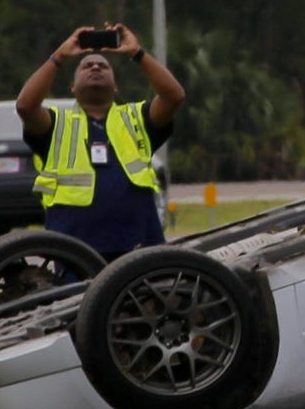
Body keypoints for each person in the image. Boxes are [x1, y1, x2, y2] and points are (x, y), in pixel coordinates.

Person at [14, 21, 187, 260]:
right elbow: (25, 106)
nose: (95, 66)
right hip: (75, 251)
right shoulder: (57, 123)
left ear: (115, 87)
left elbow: (174, 96)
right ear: (72, 87)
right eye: (86, 65)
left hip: (138, 247)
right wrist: (59, 56)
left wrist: (137, 53)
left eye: (103, 65)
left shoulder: (136, 118)